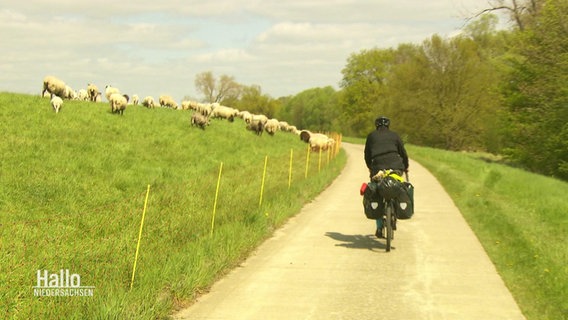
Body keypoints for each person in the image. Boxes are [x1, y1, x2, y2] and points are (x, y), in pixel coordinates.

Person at [364, 116, 409, 238]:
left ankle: (379, 227)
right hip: (396, 167)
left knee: (377, 193)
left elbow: (367, 155)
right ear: (388, 125)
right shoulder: (395, 136)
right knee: (397, 186)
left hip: (377, 168)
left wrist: (370, 167)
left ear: (376, 125)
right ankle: (395, 212)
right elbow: (403, 153)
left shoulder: (371, 136)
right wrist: (405, 166)